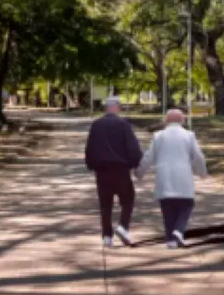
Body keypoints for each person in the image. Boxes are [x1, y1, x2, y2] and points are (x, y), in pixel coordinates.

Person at [136, 109, 207, 249]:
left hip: (164, 175)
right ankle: (178, 231)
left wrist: (139, 172)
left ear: (166, 121)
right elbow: (197, 157)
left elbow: (149, 157)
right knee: (186, 204)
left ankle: (170, 239)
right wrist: (202, 173)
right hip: (183, 174)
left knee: (167, 208)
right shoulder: (189, 135)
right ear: (182, 121)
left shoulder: (158, 136)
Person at [84, 96, 143, 247]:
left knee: (105, 205)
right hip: (121, 169)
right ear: (116, 107)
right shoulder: (124, 124)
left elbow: (90, 147)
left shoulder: (96, 125)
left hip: (102, 171)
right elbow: (133, 147)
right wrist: (136, 163)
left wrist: (91, 165)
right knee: (128, 200)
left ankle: (107, 237)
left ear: (106, 108)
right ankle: (123, 226)